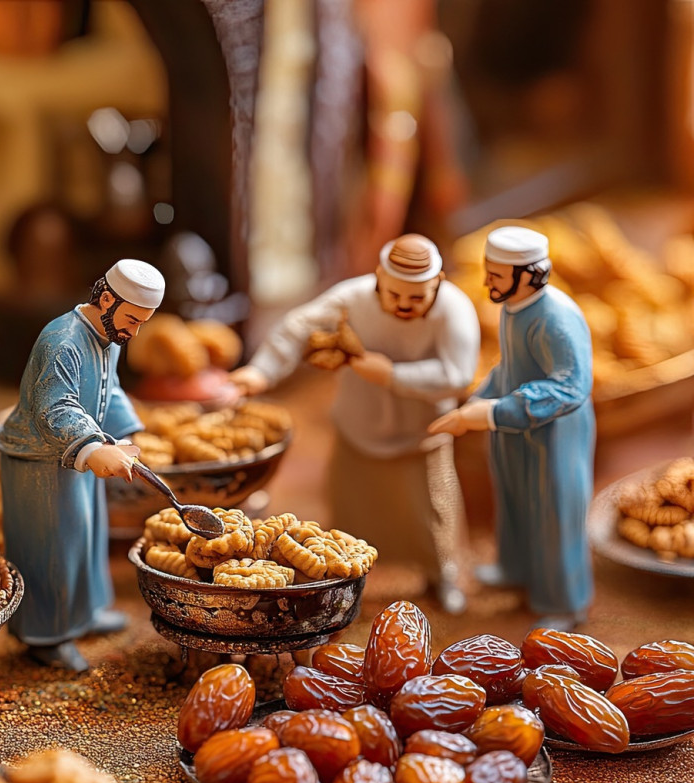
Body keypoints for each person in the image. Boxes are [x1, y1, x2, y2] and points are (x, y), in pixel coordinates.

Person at [231, 233, 480, 613]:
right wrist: (262, 370)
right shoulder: (354, 297)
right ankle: (345, 580)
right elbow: (299, 326)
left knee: (432, 514)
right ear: (380, 277)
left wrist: (392, 374)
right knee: (350, 518)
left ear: (438, 283)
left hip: (422, 435)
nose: (404, 305)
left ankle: (442, 575)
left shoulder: (454, 309)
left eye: (417, 297)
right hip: (357, 428)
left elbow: (458, 374)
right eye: (394, 294)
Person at [0, 259, 165, 672]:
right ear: (106, 300)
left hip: (81, 453)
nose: (134, 332)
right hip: (40, 459)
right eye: (132, 320)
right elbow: (54, 407)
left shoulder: (110, 336)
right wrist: (91, 448)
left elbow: (111, 390)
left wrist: (127, 431)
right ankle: (47, 635)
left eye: (142, 323)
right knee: (51, 548)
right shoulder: (63, 341)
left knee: (86, 537)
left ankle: (83, 613)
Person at [428, 225, 594, 631]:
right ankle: (515, 567)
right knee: (514, 497)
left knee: (555, 511)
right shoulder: (511, 308)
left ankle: (564, 600)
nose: (487, 282)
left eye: (496, 275)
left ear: (529, 276)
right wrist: (481, 399)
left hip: (556, 432)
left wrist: (493, 412)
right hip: (514, 426)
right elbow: (511, 366)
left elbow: (571, 386)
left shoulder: (556, 318)